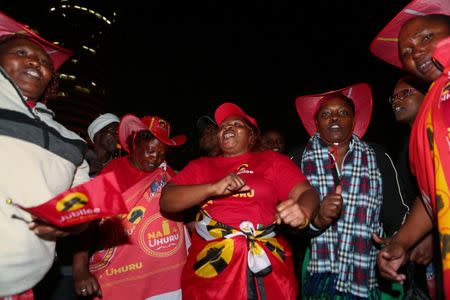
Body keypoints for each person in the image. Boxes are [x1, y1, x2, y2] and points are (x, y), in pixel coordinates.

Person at [159, 102, 320, 300]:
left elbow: (307, 193)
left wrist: (303, 210)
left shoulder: (272, 161)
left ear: (252, 136)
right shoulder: (201, 166)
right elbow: (167, 200)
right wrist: (213, 188)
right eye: (224, 126)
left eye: (237, 124)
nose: (228, 128)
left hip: (268, 266)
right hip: (212, 269)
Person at [0, 11, 90, 299]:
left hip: (21, 281)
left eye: (43, 62)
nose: (34, 62)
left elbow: (83, 204)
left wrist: (70, 221)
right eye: (21, 52)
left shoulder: (72, 141)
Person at [290, 83, 407, 299]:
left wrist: (397, 239)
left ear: (353, 121)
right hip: (315, 270)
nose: (334, 118)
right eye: (326, 114)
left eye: (343, 113)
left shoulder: (379, 156)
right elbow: (287, 227)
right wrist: (317, 221)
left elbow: (398, 212)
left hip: (372, 267)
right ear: (316, 123)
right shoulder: (296, 159)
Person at [370, 0, 450, 296]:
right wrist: (401, 241)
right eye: (406, 51)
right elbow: (433, 194)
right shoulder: (429, 113)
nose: (416, 51)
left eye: (427, 37)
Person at [72, 114, 189, 300]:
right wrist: (79, 270)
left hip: (167, 280)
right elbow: (87, 222)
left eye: (162, 153)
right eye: (150, 151)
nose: (155, 158)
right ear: (134, 143)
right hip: (123, 277)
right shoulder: (113, 173)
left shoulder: (167, 173)